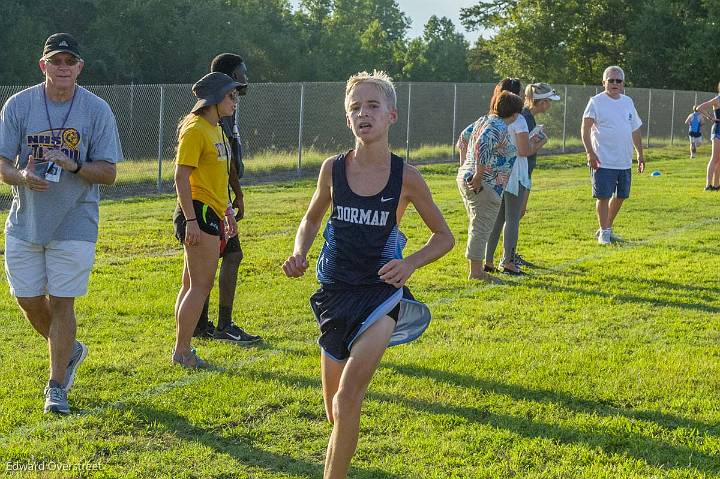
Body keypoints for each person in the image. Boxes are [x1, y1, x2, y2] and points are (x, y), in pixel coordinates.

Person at [282, 70, 454, 479]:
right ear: (347, 120)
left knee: (347, 398)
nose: (364, 114)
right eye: (355, 108)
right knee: (334, 413)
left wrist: (410, 263)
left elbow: (444, 237)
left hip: (381, 298)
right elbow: (310, 218)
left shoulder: (406, 177)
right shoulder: (332, 169)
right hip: (334, 296)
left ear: (392, 115)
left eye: (373, 106)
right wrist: (299, 251)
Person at [0, 33, 122, 414]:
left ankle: (56, 386)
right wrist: (21, 176)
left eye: (70, 61)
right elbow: (2, 162)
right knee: (27, 299)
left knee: (62, 301)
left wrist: (75, 165)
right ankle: (71, 350)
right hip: (26, 220)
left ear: (80, 67)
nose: (64, 67)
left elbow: (109, 173)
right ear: (44, 66)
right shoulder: (18, 105)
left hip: (75, 221)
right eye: (57, 61)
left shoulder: (96, 110)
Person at [192, 53, 261, 344]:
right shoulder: (214, 115)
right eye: (241, 73)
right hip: (207, 200)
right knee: (222, 259)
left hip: (217, 197)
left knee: (205, 265)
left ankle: (201, 324)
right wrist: (235, 195)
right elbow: (224, 160)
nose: (246, 79)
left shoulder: (227, 107)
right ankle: (221, 324)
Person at [172, 72, 240, 368]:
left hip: (210, 211)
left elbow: (217, 176)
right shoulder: (196, 129)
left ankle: (182, 349)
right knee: (200, 286)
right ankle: (183, 352)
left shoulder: (216, 128)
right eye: (231, 96)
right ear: (214, 99)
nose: (235, 101)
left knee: (191, 284)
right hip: (196, 212)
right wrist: (191, 221)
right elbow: (180, 176)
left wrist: (226, 212)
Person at [456, 91, 524, 282]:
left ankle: (476, 268)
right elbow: (482, 144)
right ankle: (476, 273)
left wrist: (464, 166)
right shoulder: (499, 126)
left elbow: (463, 138)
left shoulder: (483, 120)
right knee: (481, 226)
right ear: (514, 113)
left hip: (469, 178)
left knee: (477, 225)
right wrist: (477, 175)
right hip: (484, 183)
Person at [484, 79, 548, 275]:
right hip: (514, 173)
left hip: (498, 172)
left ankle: (487, 260)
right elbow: (523, 150)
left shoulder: (492, 117)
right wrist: (540, 142)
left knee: (498, 219)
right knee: (512, 218)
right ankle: (509, 262)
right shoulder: (518, 119)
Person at [581, 66, 645, 245]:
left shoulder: (628, 101)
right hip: (602, 160)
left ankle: (606, 227)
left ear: (623, 83)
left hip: (624, 160)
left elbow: (635, 129)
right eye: (611, 80)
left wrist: (640, 153)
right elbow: (585, 129)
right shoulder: (595, 102)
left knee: (621, 196)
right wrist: (590, 153)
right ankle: (604, 232)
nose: (615, 84)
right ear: (604, 83)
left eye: (618, 81)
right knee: (603, 196)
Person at [513, 82, 561, 266]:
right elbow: (524, 150)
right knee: (515, 214)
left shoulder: (528, 117)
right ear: (542, 102)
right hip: (520, 172)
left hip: (525, 171)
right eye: (549, 101)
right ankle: (508, 255)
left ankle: (509, 253)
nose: (550, 105)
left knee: (518, 213)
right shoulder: (524, 118)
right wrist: (541, 141)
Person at [694, 88, 720, 191]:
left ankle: (716, 185)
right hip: (717, 131)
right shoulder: (717, 99)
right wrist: (710, 117)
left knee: (719, 160)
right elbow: (699, 108)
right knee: (714, 158)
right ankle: (708, 185)